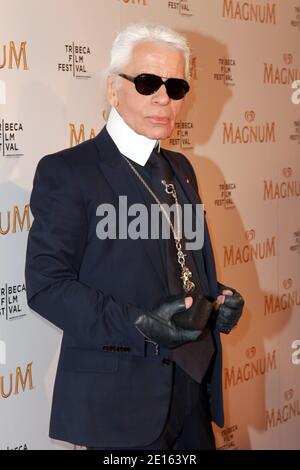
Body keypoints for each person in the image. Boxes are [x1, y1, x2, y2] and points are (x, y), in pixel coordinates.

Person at [25, 23, 244, 450]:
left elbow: (179, 266)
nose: (164, 97)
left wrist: (215, 302)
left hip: (193, 390)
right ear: (113, 89)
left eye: (176, 86)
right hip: (120, 405)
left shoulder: (181, 168)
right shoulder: (69, 171)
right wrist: (140, 325)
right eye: (147, 83)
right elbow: (47, 287)